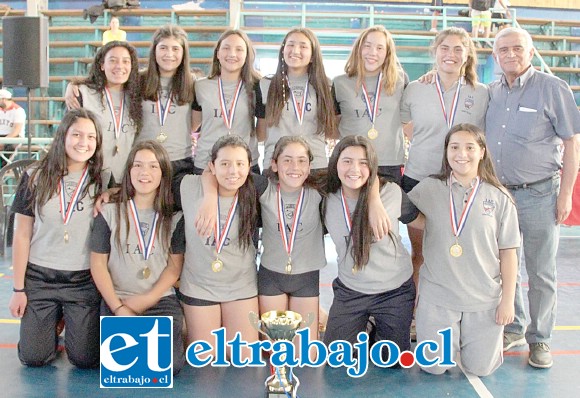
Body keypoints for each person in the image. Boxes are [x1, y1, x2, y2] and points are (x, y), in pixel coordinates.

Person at [487, 27, 580, 368]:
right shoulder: (492, 92)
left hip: (540, 193)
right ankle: (514, 325)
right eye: (503, 50)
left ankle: (540, 339)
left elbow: (572, 143)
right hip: (498, 197)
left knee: (541, 271)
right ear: (495, 56)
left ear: (530, 51)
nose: (510, 55)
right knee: (502, 266)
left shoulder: (553, 88)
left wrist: (566, 195)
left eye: (517, 49)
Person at [408, 123, 519, 376]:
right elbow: (398, 208)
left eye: (470, 147)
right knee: (433, 367)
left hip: (483, 300)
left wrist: (507, 302)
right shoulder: (429, 188)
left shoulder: (500, 198)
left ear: (482, 152)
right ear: (446, 152)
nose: (462, 154)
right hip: (438, 298)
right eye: (454, 147)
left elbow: (508, 254)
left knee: (481, 369)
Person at [8, 109, 104, 368]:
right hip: (40, 278)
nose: (83, 142)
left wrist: (113, 193)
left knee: (85, 359)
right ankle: (50, 325)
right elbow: (22, 234)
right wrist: (18, 290)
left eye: (91, 137)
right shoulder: (35, 175)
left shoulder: (102, 181)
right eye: (76, 135)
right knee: (33, 358)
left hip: (82, 281)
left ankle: (64, 319)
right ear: (63, 136)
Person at [401, 27, 488, 287]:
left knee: (459, 253)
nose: (450, 54)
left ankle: (455, 306)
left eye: (458, 49)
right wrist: (427, 140)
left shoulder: (481, 92)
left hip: (462, 184)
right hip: (419, 180)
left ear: (468, 54)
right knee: (420, 253)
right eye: (444, 48)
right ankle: (417, 313)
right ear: (435, 52)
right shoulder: (415, 89)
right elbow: (403, 124)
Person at [322, 135, 423, 360]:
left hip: (394, 291)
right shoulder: (325, 200)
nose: (354, 169)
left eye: (363, 162)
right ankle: (364, 324)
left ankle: (377, 327)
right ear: (335, 162)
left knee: (391, 361)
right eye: (347, 161)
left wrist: (374, 200)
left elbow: (422, 222)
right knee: (335, 358)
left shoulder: (392, 193)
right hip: (351, 291)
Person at [90, 140, 185, 374]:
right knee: (117, 364)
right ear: (129, 170)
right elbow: (98, 264)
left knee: (169, 366)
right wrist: (118, 307)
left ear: (163, 173)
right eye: (138, 165)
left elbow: (174, 269)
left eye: (153, 166)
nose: (145, 172)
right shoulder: (109, 212)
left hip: (159, 300)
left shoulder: (174, 217)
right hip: (118, 299)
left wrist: (147, 299)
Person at [66, 24, 196, 180]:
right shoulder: (138, 80)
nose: (169, 54)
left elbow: (195, 122)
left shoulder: (193, 84)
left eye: (175, 49)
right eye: (163, 48)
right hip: (143, 161)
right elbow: (109, 82)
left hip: (180, 162)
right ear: (154, 50)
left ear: (184, 53)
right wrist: (73, 85)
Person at [176, 135, 259, 360]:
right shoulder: (188, 186)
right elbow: (147, 190)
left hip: (241, 287)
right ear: (211, 166)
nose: (233, 171)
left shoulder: (256, 189)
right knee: (205, 360)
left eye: (240, 164)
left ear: (249, 166)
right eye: (224, 164)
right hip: (199, 287)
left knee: (243, 358)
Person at [258, 136, 325, 354]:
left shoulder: (319, 192)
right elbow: (218, 174)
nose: (294, 167)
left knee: (306, 355)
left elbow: (365, 178)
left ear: (309, 166)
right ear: (274, 164)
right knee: (273, 353)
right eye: (287, 160)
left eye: (301, 160)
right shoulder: (263, 189)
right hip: (271, 278)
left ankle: (322, 315)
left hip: (306, 279)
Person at [332, 25, 408, 185]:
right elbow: (333, 125)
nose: (373, 52)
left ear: (387, 53)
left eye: (380, 48)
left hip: (389, 163)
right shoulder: (340, 83)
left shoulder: (400, 81)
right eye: (367, 46)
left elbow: (408, 120)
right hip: (352, 164)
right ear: (359, 49)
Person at [256, 28, 336, 172]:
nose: (295, 50)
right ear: (283, 50)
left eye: (303, 46)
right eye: (290, 45)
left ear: (312, 55)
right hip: (276, 166)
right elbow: (261, 132)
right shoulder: (265, 84)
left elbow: (331, 129)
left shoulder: (327, 86)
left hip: (315, 166)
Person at [69, 41, 141, 186]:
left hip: (125, 179)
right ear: (102, 65)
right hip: (89, 177)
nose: (119, 66)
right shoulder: (83, 93)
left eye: (125, 61)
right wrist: (72, 84)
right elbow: (68, 135)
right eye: (112, 60)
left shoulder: (138, 96)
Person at [192, 29, 261, 175]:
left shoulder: (257, 87)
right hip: (206, 163)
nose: (232, 54)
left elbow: (262, 133)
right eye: (226, 48)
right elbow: (193, 125)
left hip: (244, 165)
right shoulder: (200, 86)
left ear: (247, 55)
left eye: (239, 49)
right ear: (217, 53)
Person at [0, 88, 26, 160]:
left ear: (3, 99)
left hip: (14, 137)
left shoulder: (18, 110)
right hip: (1, 136)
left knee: (9, 147)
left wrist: (3, 141)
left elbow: (16, 131)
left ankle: (4, 167)